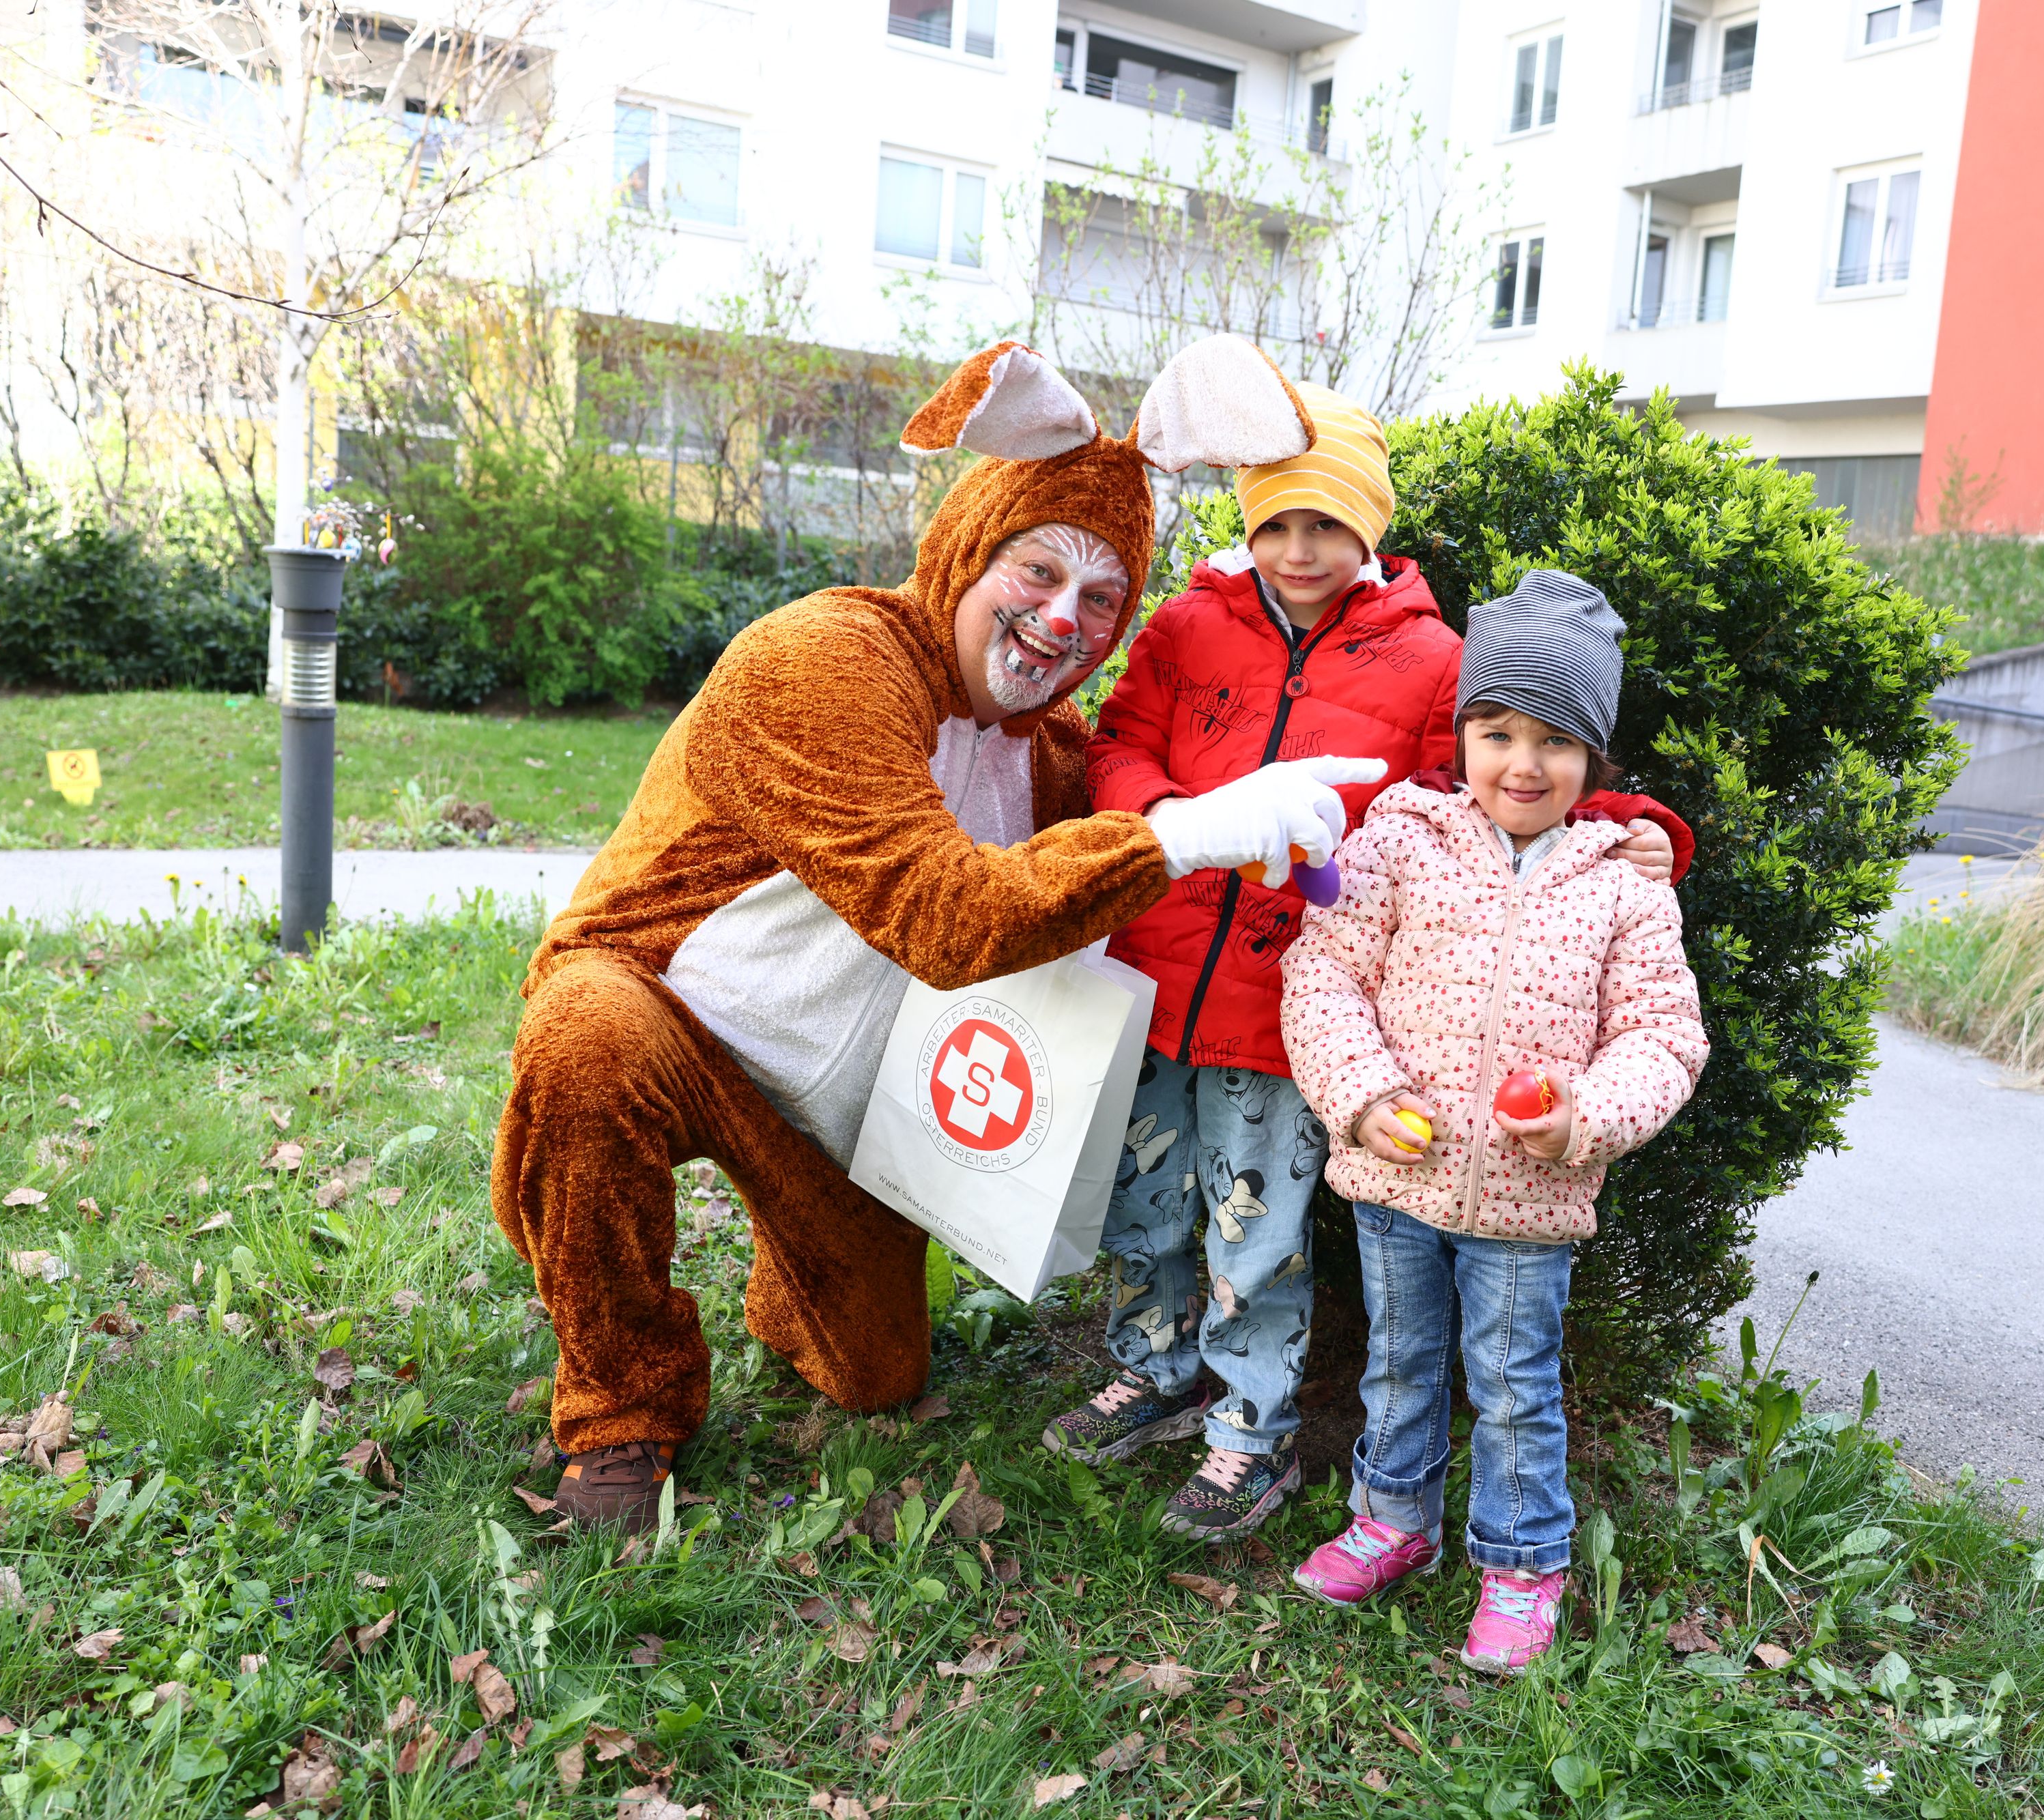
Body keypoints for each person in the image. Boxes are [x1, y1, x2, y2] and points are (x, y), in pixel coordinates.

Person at [492, 336, 1381, 1529]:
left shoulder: (1058, 756)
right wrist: (1184, 835)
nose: (1063, 620)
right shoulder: (824, 661)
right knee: (583, 1039)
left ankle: (788, 1278)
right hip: (675, 1020)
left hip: (841, 1122)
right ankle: (622, 1414)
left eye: (1104, 596)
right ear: (969, 549)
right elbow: (944, 917)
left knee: (876, 1375)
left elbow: (1130, 869)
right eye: (1037, 570)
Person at [1047, 388, 1695, 1543]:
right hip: (1154, 972)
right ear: (1248, 524)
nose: (1300, 552)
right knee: (1142, 1207)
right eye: (1277, 523)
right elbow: (1122, 741)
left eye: (1329, 526)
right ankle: (1150, 1371)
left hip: (1281, 1007)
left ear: (1372, 528)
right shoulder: (1190, 629)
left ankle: (1249, 1434)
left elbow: (1505, 776)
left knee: (1259, 1230)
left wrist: (1641, 823)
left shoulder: (1434, 659)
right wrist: (1165, 820)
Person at [1278, 570, 1710, 1672]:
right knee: (1401, 1362)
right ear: (1464, 735)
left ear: (1594, 761)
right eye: (1499, 732)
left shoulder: (1625, 884)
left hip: (1532, 1200)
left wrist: (1585, 1121)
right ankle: (1393, 1523)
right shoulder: (1400, 842)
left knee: (1516, 1388)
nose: (1525, 764)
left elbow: (1664, 1036)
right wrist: (1365, 1099)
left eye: (1557, 742)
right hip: (1398, 1182)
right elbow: (1325, 975)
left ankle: (1523, 1567)